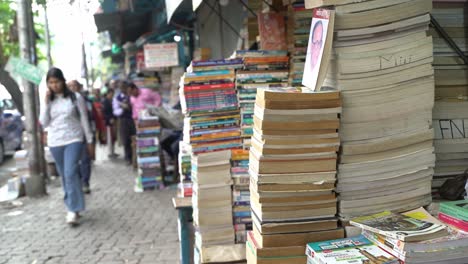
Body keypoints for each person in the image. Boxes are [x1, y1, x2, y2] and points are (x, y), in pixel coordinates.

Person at [40, 68, 93, 225]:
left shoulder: (76, 98)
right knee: (65, 175)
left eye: (56, 81)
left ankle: (72, 209)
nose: (54, 85)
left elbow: (84, 119)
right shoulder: (48, 101)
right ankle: (75, 205)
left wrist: (89, 140)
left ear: (63, 81)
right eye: (51, 83)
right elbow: (44, 123)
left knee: (70, 172)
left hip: (74, 139)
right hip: (56, 142)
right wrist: (45, 103)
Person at [67, 80, 94, 194]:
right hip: (69, 136)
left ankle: (85, 182)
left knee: (84, 160)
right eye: (70, 86)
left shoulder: (81, 99)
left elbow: (86, 117)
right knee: (73, 162)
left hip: (82, 134)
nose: (72, 88)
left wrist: (89, 138)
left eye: (74, 86)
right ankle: (77, 183)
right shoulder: (64, 100)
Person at [113, 81, 135, 164]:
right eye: (121, 87)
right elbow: (115, 111)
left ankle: (134, 157)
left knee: (135, 138)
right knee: (126, 140)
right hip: (123, 121)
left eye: (124, 87)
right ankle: (128, 158)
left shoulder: (131, 96)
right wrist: (123, 108)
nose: (123, 89)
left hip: (133, 119)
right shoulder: (117, 98)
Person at [102, 88, 118, 158]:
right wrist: (109, 119)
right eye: (111, 93)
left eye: (113, 94)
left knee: (113, 138)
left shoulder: (111, 100)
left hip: (113, 121)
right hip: (108, 122)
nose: (112, 95)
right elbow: (104, 112)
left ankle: (113, 151)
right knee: (110, 137)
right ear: (108, 93)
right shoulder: (105, 101)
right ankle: (110, 152)